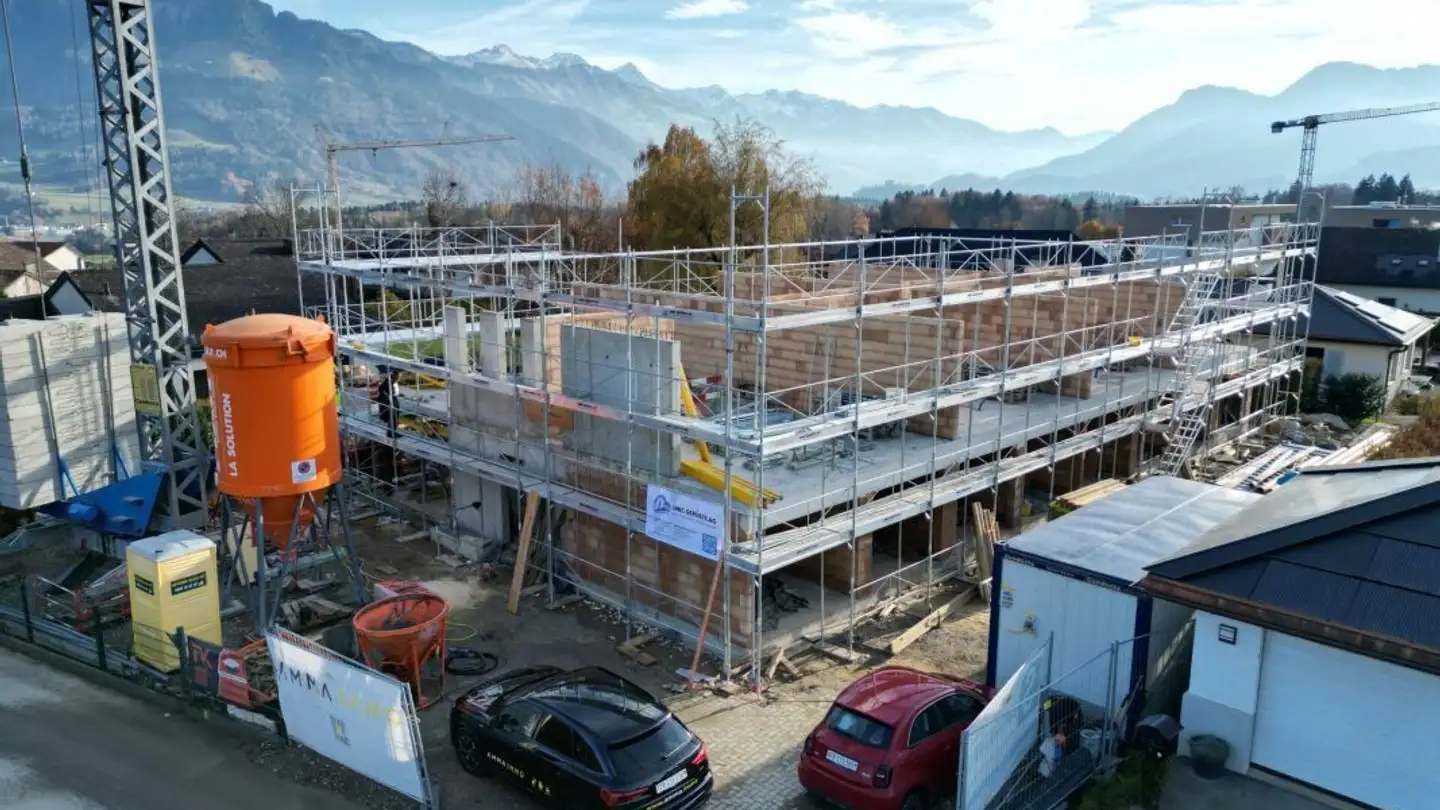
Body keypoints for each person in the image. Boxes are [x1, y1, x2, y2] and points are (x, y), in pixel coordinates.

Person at [374, 366, 400, 438]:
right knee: (393, 415)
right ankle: (391, 433)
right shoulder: (390, 381)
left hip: (392, 398)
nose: (399, 377)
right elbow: (381, 389)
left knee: (394, 415)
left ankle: (392, 431)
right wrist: (388, 395)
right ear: (395, 375)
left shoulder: (392, 380)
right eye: (398, 375)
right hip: (389, 400)